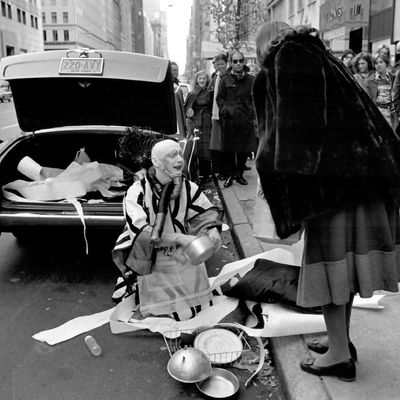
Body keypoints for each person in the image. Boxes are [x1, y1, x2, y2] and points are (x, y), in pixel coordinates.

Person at [254, 21, 400, 382]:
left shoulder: (287, 57)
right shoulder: (315, 54)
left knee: (330, 271)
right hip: (361, 181)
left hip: (333, 187)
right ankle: (340, 342)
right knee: (343, 273)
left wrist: (277, 178)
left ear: (264, 48)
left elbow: (297, 133)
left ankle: (338, 356)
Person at [112, 135, 222, 320]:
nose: (180, 159)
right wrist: (180, 238)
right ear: (156, 162)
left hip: (184, 253)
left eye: (180, 153)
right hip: (151, 256)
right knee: (165, 315)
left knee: (198, 311)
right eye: (172, 155)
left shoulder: (188, 187)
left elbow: (205, 214)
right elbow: (141, 233)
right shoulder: (136, 193)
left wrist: (212, 231)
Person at [216, 49, 257, 187]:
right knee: (229, 150)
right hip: (230, 120)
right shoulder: (225, 79)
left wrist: (251, 112)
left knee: (243, 150)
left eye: (240, 61)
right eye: (235, 61)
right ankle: (230, 175)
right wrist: (226, 110)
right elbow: (220, 98)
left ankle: (239, 174)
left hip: (245, 120)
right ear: (231, 63)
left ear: (244, 62)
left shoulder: (251, 79)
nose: (238, 64)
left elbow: (255, 98)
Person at [185, 70, 213, 184]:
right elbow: (188, 111)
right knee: (199, 149)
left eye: (204, 78)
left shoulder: (210, 92)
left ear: (207, 80)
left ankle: (208, 173)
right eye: (200, 78)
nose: (202, 80)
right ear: (196, 80)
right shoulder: (193, 93)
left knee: (208, 148)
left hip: (208, 122)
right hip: (198, 122)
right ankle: (201, 174)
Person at [207, 53, 229, 180]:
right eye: (218, 64)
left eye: (222, 63)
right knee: (216, 144)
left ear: (226, 63)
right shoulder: (215, 77)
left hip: (224, 114)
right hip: (215, 115)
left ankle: (225, 171)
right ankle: (218, 170)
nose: (220, 66)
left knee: (225, 145)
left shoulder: (228, 77)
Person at [365, 53, 396, 128]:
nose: (378, 65)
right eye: (376, 63)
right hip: (378, 112)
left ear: (386, 64)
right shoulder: (370, 80)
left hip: (391, 113)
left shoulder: (393, 78)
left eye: (381, 62)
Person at [170, 61, 187, 136]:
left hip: (180, 117)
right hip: (173, 120)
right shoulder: (169, 86)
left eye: (176, 70)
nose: (176, 72)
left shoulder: (177, 85)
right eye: (173, 70)